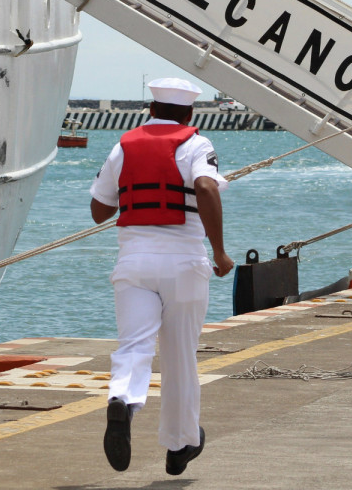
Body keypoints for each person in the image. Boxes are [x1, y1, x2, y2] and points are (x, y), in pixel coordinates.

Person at [89, 78, 232, 476]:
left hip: (133, 262)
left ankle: (122, 399)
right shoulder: (196, 145)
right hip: (183, 263)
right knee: (179, 357)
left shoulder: (123, 146)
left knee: (134, 345)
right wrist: (219, 250)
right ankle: (180, 444)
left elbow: (99, 210)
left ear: (150, 111)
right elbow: (205, 186)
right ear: (190, 115)